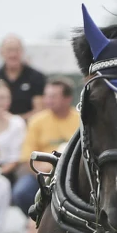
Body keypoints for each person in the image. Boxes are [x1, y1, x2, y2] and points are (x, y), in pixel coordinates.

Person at [12, 78, 79, 213]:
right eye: (46, 96)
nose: (48, 100)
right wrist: (45, 173)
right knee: (21, 193)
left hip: (74, 174)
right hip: (42, 174)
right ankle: (36, 222)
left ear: (67, 98)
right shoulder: (37, 121)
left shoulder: (80, 120)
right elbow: (27, 157)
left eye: (53, 97)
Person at [0, 35, 46, 119]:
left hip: (28, 125)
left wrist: (14, 122)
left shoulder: (37, 77)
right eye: (9, 50)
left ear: (22, 52)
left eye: (17, 50)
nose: (13, 54)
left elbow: (39, 110)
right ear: (1, 52)